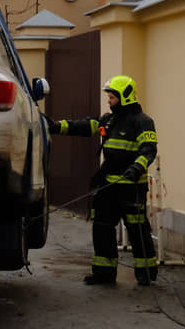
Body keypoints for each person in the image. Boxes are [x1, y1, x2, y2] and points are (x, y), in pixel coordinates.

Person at [48, 74, 158, 286]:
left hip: (131, 188)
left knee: (137, 230)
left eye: (112, 97)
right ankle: (104, 274)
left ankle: (146, 273)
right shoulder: (109, 121)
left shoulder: (142, 122)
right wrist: (56, 126)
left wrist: (137, 167)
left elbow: (149, 150)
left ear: (125, 97)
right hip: (108, 186)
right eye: (109, 97)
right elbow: (86, 126)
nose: (109, 101)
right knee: (102, 227)